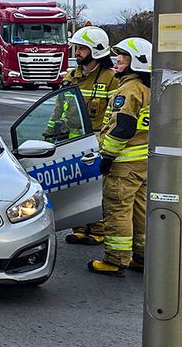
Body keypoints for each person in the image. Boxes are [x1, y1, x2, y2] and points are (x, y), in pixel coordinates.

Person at [49, 26, 118, 245]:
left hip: (97, 141)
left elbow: (114, 114)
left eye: (81, 49)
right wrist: (50, 133)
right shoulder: (72, 76)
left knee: (95, 187)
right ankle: (80, 227)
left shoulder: (110, 79)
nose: (76, 52)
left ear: (96, 51)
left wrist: (105, 142)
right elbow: (58, 107)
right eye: (77, 48)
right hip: (72, 141)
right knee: (76, 185)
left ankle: (97, 229)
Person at [89, 37, 152, 277]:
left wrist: (107, 156)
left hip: (123, 164)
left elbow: (123, 127)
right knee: (140, 209)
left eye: (123, 57)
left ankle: (115, 259)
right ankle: (142, 256)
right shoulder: (148, 88)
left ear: (136, 62)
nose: (117, 60)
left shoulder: (128, 89)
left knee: (118, 209)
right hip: (143, 162)